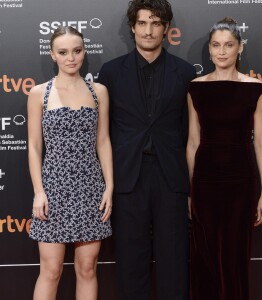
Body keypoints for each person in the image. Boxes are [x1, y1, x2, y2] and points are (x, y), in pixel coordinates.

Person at [97, 0, 196, 299]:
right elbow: (104, 131)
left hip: (171, 177)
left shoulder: (185, 72)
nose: (148, 30)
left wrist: (191, 184)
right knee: (130, 262)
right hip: (128, 177)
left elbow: (190, 131)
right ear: (132, 27)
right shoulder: (111, 72)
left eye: (155, 23)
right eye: (142, 23)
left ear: (166, 28)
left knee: (175, 261)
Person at [187, 17, 262, 300]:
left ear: (240, 48)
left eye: (228, 45)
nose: (221, 51)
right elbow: (193, 141)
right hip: (205, 183)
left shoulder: (255, 88)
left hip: (240, 183)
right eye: (216, 45)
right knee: (206, 258)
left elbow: (261, 143)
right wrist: (190, 190)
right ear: (210, 49)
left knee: (234, 258)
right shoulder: (195, 88)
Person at [28, 26, 113, 300]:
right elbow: (34, 146)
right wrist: (39, 192)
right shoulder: (39, 93)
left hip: (90, 188)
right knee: (51, 269)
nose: (71, 58)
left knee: (87, 268)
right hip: (53, 189)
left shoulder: (99, 91)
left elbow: (103, 141)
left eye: (76, 51)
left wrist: (109, 187)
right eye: (63, 52)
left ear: (84, 52)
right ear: (53, 54)